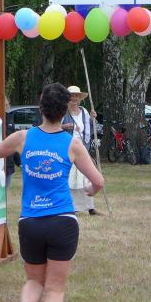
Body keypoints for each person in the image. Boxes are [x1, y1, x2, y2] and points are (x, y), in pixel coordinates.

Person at [0, 83, 104, 302]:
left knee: (34, 281)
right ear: (65, 111)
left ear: (40, 108)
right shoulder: (72, 144)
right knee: (55, 287)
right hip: (62, 221)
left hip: (30, 221)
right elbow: (98, 181)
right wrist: (90, 191)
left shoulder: (23, 138)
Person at [61, 86, 98, 215]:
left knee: (87, 176)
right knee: (71, 179)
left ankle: (90, 207)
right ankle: (73, 207)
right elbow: (54, 127)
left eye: (76, 96)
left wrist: (93, 119)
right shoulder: (62, 112)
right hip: (68, 149)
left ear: (80, 98)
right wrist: (65, 126)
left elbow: (90, 129)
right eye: (71, 96)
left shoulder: (84, 112)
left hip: (82, 148)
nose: (74, 98)